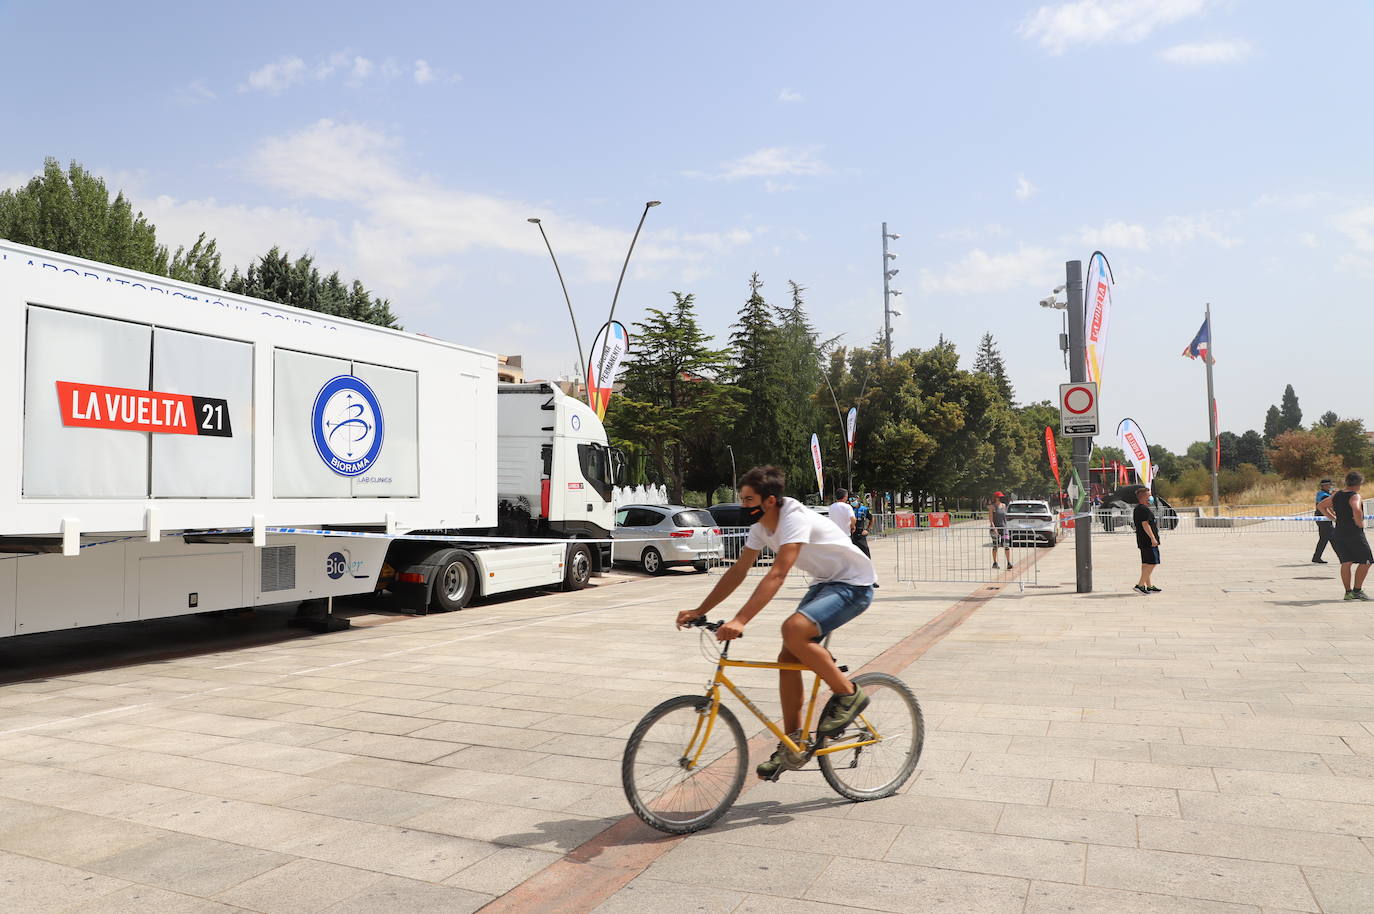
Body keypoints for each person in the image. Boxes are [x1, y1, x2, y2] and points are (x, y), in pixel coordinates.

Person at [677, 465, 877, 780]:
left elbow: (778, 573)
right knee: (787, 658)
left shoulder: (793, 518)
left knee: (793, 629)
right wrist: (698, 610)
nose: (743, 505)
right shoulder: (762, 528)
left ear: (770, 500)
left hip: (855, 584)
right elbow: (738, 571)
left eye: (747, 499)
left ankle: (849, 692)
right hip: (825, 583)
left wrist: (741, 619)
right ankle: (794, 744)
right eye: (742, 499)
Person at [1318, 471, 1373, 601]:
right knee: (1367, 561)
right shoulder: (1355, 496)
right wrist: (1359, 523)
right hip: (1353, 532)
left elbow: (1321, 506)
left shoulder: (1337, 495)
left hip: (1339, 532)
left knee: (1346, 562)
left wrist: (1334, 518)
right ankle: (1357, 590)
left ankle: (1348, 592)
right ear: (1359, 483)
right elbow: (1357, 509)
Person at [1133, 487, 1161, 595]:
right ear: (1144, 497)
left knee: (1146, 564)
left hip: (1142, 541)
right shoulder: (1143, 509)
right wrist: (1153, 538)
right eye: (1149, 495)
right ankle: (1140, 585)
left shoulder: (1139, 508)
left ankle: (1149, 586)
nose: (1151, 497)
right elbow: (1145, 524)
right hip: (1147, 541)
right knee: (1152, 562)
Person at [1313, 477, 1335, 564]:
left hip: (1322, 518)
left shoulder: (1323, 493)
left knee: (1324, 538)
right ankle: (1343, 558)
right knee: (1334, 538)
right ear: (1324, 486)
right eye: (1329, 485)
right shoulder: (1323, 495)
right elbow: (1326, 508)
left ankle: (1316, 557)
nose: (1330, 486)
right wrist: (1333, 517)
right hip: (1323, 518)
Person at [988, 493, 1012, 569]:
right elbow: (991, 519)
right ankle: (995, 562)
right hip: (995, 529)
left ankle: (1008, 562)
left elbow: (1005, 517)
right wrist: (994, 528)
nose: (1001, 498)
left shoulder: (1004, 506)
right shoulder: (992, 507)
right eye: (1000, 497)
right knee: (996, 546)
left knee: (1006, 545)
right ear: (996, 498)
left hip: (1004, 528)